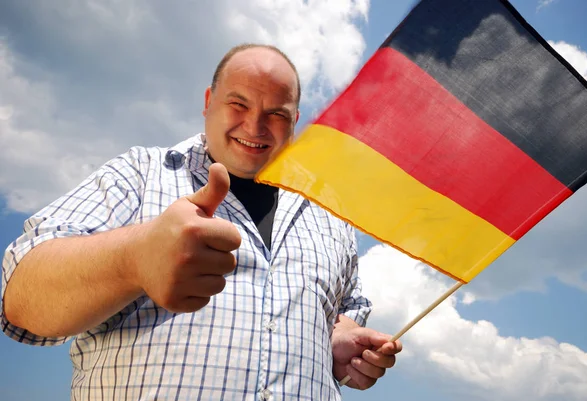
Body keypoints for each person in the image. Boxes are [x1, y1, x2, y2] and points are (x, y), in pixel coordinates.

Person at [1, 43, 402, 400]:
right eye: (239, 104)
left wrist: (340, 339)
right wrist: (133, 257)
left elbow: (345, 311)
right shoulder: (139, 174)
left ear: (295, 121)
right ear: (209, 101)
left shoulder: (329, 215)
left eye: (276, 114)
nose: (254, 126)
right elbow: (20, 301)